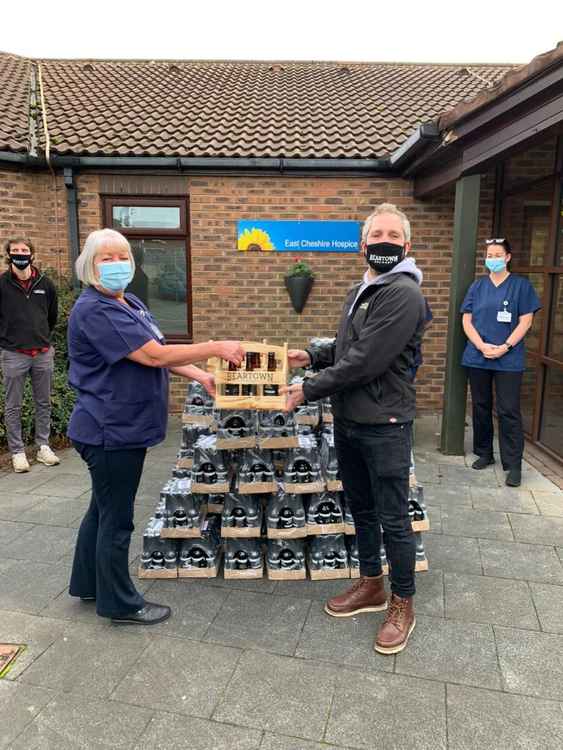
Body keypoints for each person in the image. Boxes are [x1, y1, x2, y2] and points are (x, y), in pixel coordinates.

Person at [67, 228, 244, 626]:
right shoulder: (96, 309)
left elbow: (156, 354)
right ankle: (120, 604)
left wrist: (201, 376)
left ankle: (89, 583)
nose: (116, 264)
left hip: (116, 427)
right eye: (105, 258)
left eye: (122, 256)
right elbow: (152, 355)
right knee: (116, 518)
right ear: (89, 266)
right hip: (109, 430)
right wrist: (216, 347)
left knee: (102, 508)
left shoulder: (126, 302)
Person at [284, 203, 426, 654]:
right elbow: (349, 346)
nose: (383, 241)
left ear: (406, 245)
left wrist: (306, 390)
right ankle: (372, 584)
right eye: (375, 234)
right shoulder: (361, 289)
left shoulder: (403, 293)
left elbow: (368, 360)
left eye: (391, 234)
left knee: (393, 517)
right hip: (349, 420)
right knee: (361, 509)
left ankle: (403, 602)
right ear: (362, 244)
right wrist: (313, 355)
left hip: (384, 423)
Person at [461, 238, 541, 488]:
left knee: (508, 410)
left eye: (497, 254)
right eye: (489, 254)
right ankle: (485, 453)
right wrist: (482, 346)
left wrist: (505, 346)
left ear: (507, 257)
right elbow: (467, 320)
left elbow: (525, 321)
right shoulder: (477, 286)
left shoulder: (521, 286)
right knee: (481, 406)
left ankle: (513, 464)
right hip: (478, 356)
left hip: (508, 358)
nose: (492, 258)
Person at [0, 238, 60, 473]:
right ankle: (17, 452)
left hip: (42, 353)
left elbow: (52, 317)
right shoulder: (2, 284)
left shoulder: (47, 284)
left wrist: (42, 337)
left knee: (43, 402)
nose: (20, 254)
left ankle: (43, 446)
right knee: (13, 405)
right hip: (13, 354)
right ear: (8, 255)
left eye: (24, 250)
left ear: (32, 254)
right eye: (15, 251)